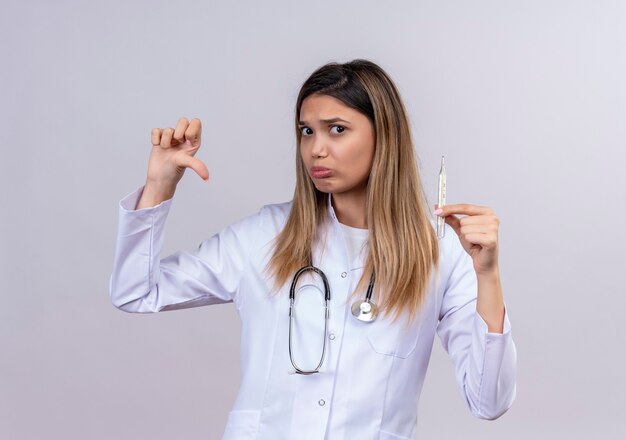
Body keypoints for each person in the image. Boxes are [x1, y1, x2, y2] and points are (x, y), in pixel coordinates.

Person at [109, 59, 517, 440]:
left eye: (337, 129)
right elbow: (136, 291)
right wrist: (159, 187)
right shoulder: (264, 237)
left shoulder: (442, 252)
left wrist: (487, 275)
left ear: (385, 135)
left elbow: (489, 401)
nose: (316, 149)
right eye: (307, 131)